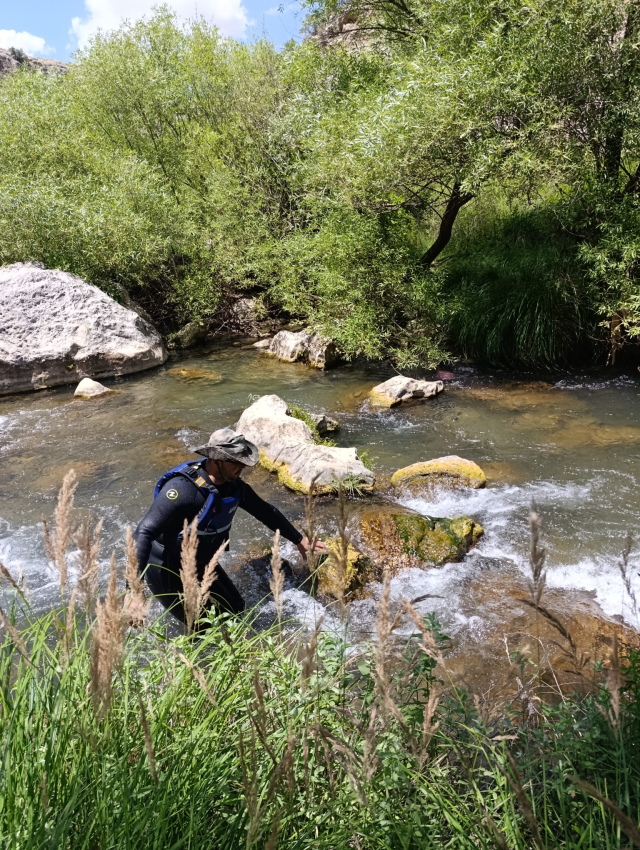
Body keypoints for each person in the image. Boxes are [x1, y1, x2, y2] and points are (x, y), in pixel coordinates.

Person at [129, 428, 326, 625]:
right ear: (216, 460)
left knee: (237, 610)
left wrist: (299, 540)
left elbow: (266, 511)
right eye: (236, 461)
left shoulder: (233, 486)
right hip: (166, 568)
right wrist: (134, 590)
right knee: (200, 627)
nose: (242, 466)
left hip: (201, 561)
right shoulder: (183, 489)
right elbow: (144, 532)